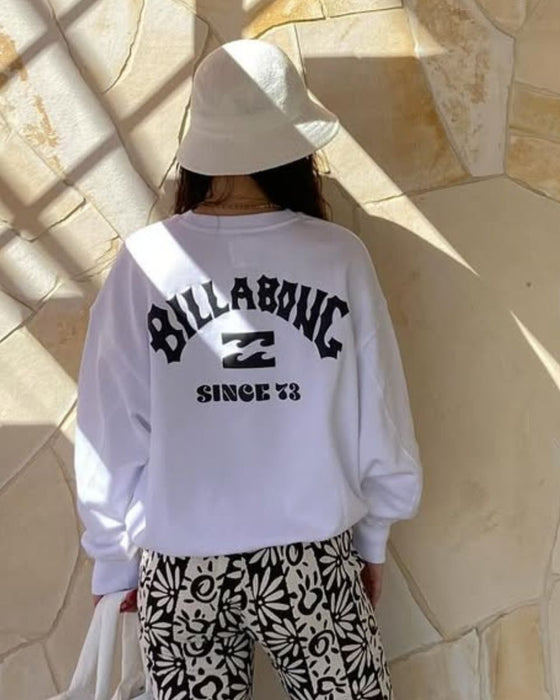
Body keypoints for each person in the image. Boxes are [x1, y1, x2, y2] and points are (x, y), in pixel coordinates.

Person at [74, 38, 423, 700]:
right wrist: (373, 536)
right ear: (295, 146)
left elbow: (109, 425)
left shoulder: (144, 262)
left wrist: (114, 563)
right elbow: (379, 408)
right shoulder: (337, 256)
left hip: (182, 566)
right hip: (310, 562)